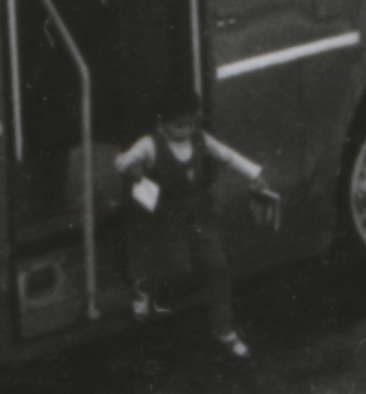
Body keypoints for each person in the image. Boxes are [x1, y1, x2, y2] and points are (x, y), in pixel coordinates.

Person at [114, 110, 285, 359]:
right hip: (168, 217)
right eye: (177, 125)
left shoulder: (200, 139)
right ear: (162, 123)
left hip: (199, 215)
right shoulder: (150, 144)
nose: (184, 131)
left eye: (190, 125)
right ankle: (143, 288)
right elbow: (121, 161)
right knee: (176, 268)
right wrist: (134, 168)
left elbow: (227, 155)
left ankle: (224, 327)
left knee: (217, 267)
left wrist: (255, 174)